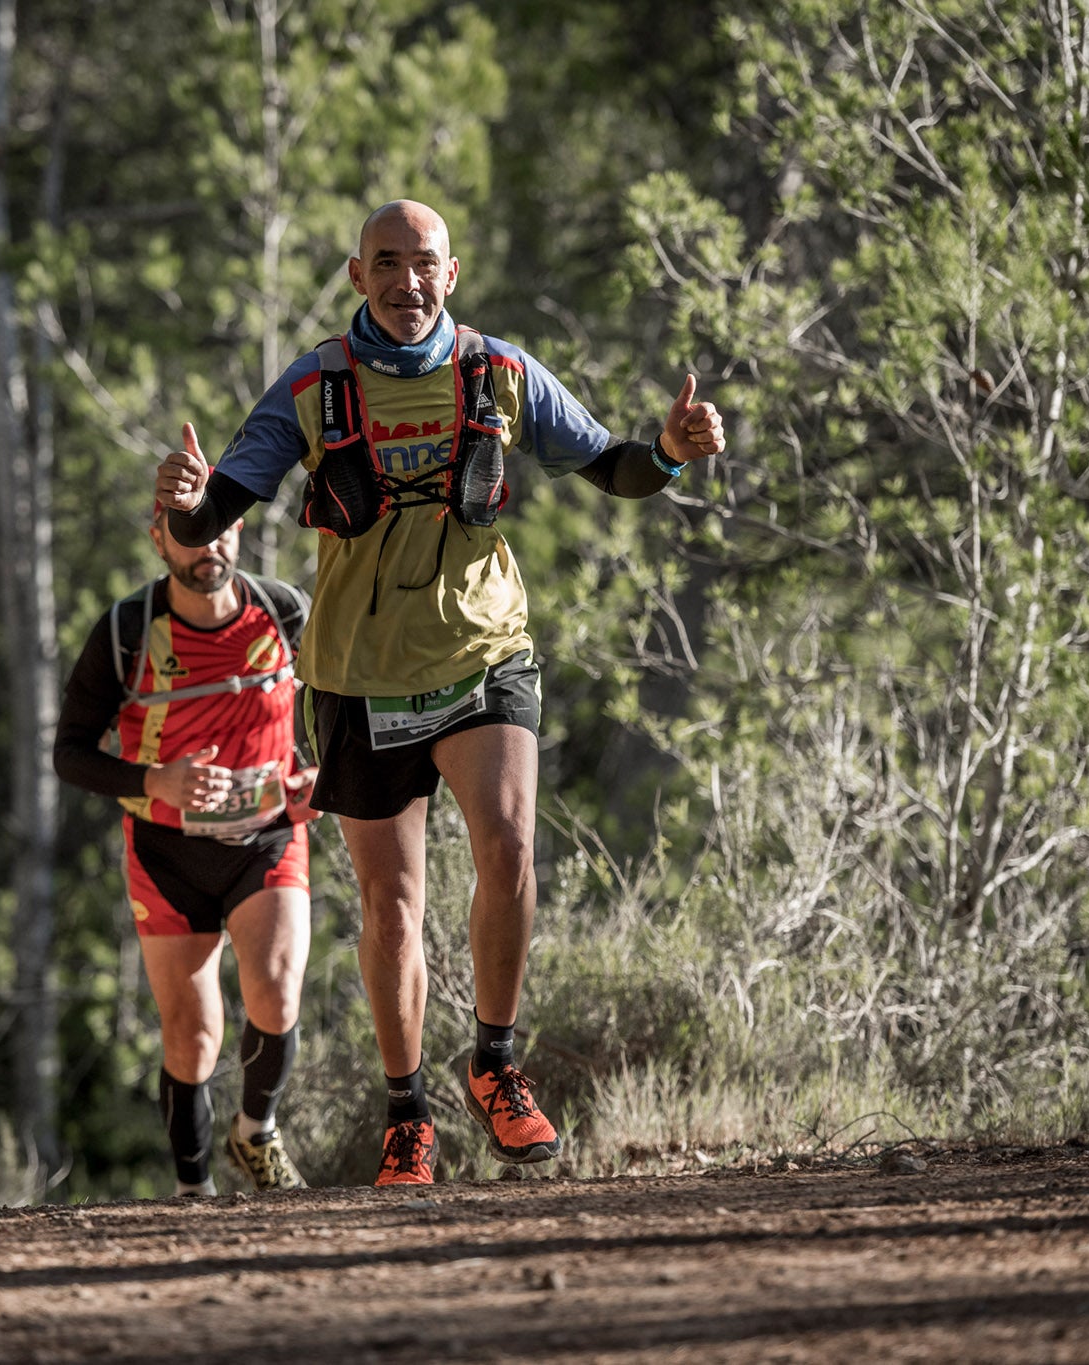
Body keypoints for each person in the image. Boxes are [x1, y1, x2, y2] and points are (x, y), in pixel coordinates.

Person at [156, 200, 726, 1186]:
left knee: (507, 843)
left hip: (484, 653)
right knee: (392, 903)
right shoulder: (312, 385)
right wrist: (182, 500)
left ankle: (496, 1064)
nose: (404, 282)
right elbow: (217, 507)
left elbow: (614, 466)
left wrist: (670, 451)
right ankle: (405, 1113)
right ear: (354, 273)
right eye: (385, 263)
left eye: (421, 264)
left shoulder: (498, 373)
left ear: (449, 275)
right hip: (357, 673)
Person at [53, 506, 318, 1195]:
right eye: (189, 532)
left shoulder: (285, 611)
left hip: (266, 836)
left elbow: (346, 697)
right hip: (166, 850)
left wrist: (328, 771)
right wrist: (154, 779)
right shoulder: (125, 632)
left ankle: (256, 1130)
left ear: (238, 530)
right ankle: (192, 1189)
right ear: (158, 539)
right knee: (192, 1035)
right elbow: (70, 754)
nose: (209, 545)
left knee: (277, 986)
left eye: (221, 526)